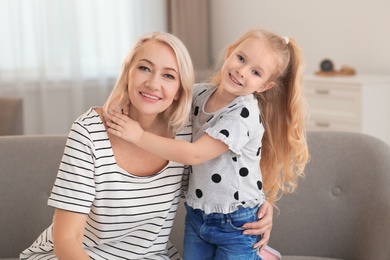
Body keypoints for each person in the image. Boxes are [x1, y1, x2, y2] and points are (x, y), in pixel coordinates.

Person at [20, 31, 273, 260]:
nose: (153, 84)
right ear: (127, 73)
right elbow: (66, 240)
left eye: (168, 75)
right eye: (144, 68)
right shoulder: (90, 131)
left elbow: (233, 166)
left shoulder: (187, 131)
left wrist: (262, 206)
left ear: (179, 90)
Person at [106, 28, 310, 260]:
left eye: (255, 72)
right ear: (230, 53)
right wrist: (124, 103)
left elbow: (194, 154)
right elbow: (163, 95)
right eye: (241, 58)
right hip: (197, 215)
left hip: (237, 221)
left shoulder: (242, 114)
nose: (241, 71)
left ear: (264, 86)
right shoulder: (200, 94)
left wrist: (138, 136)